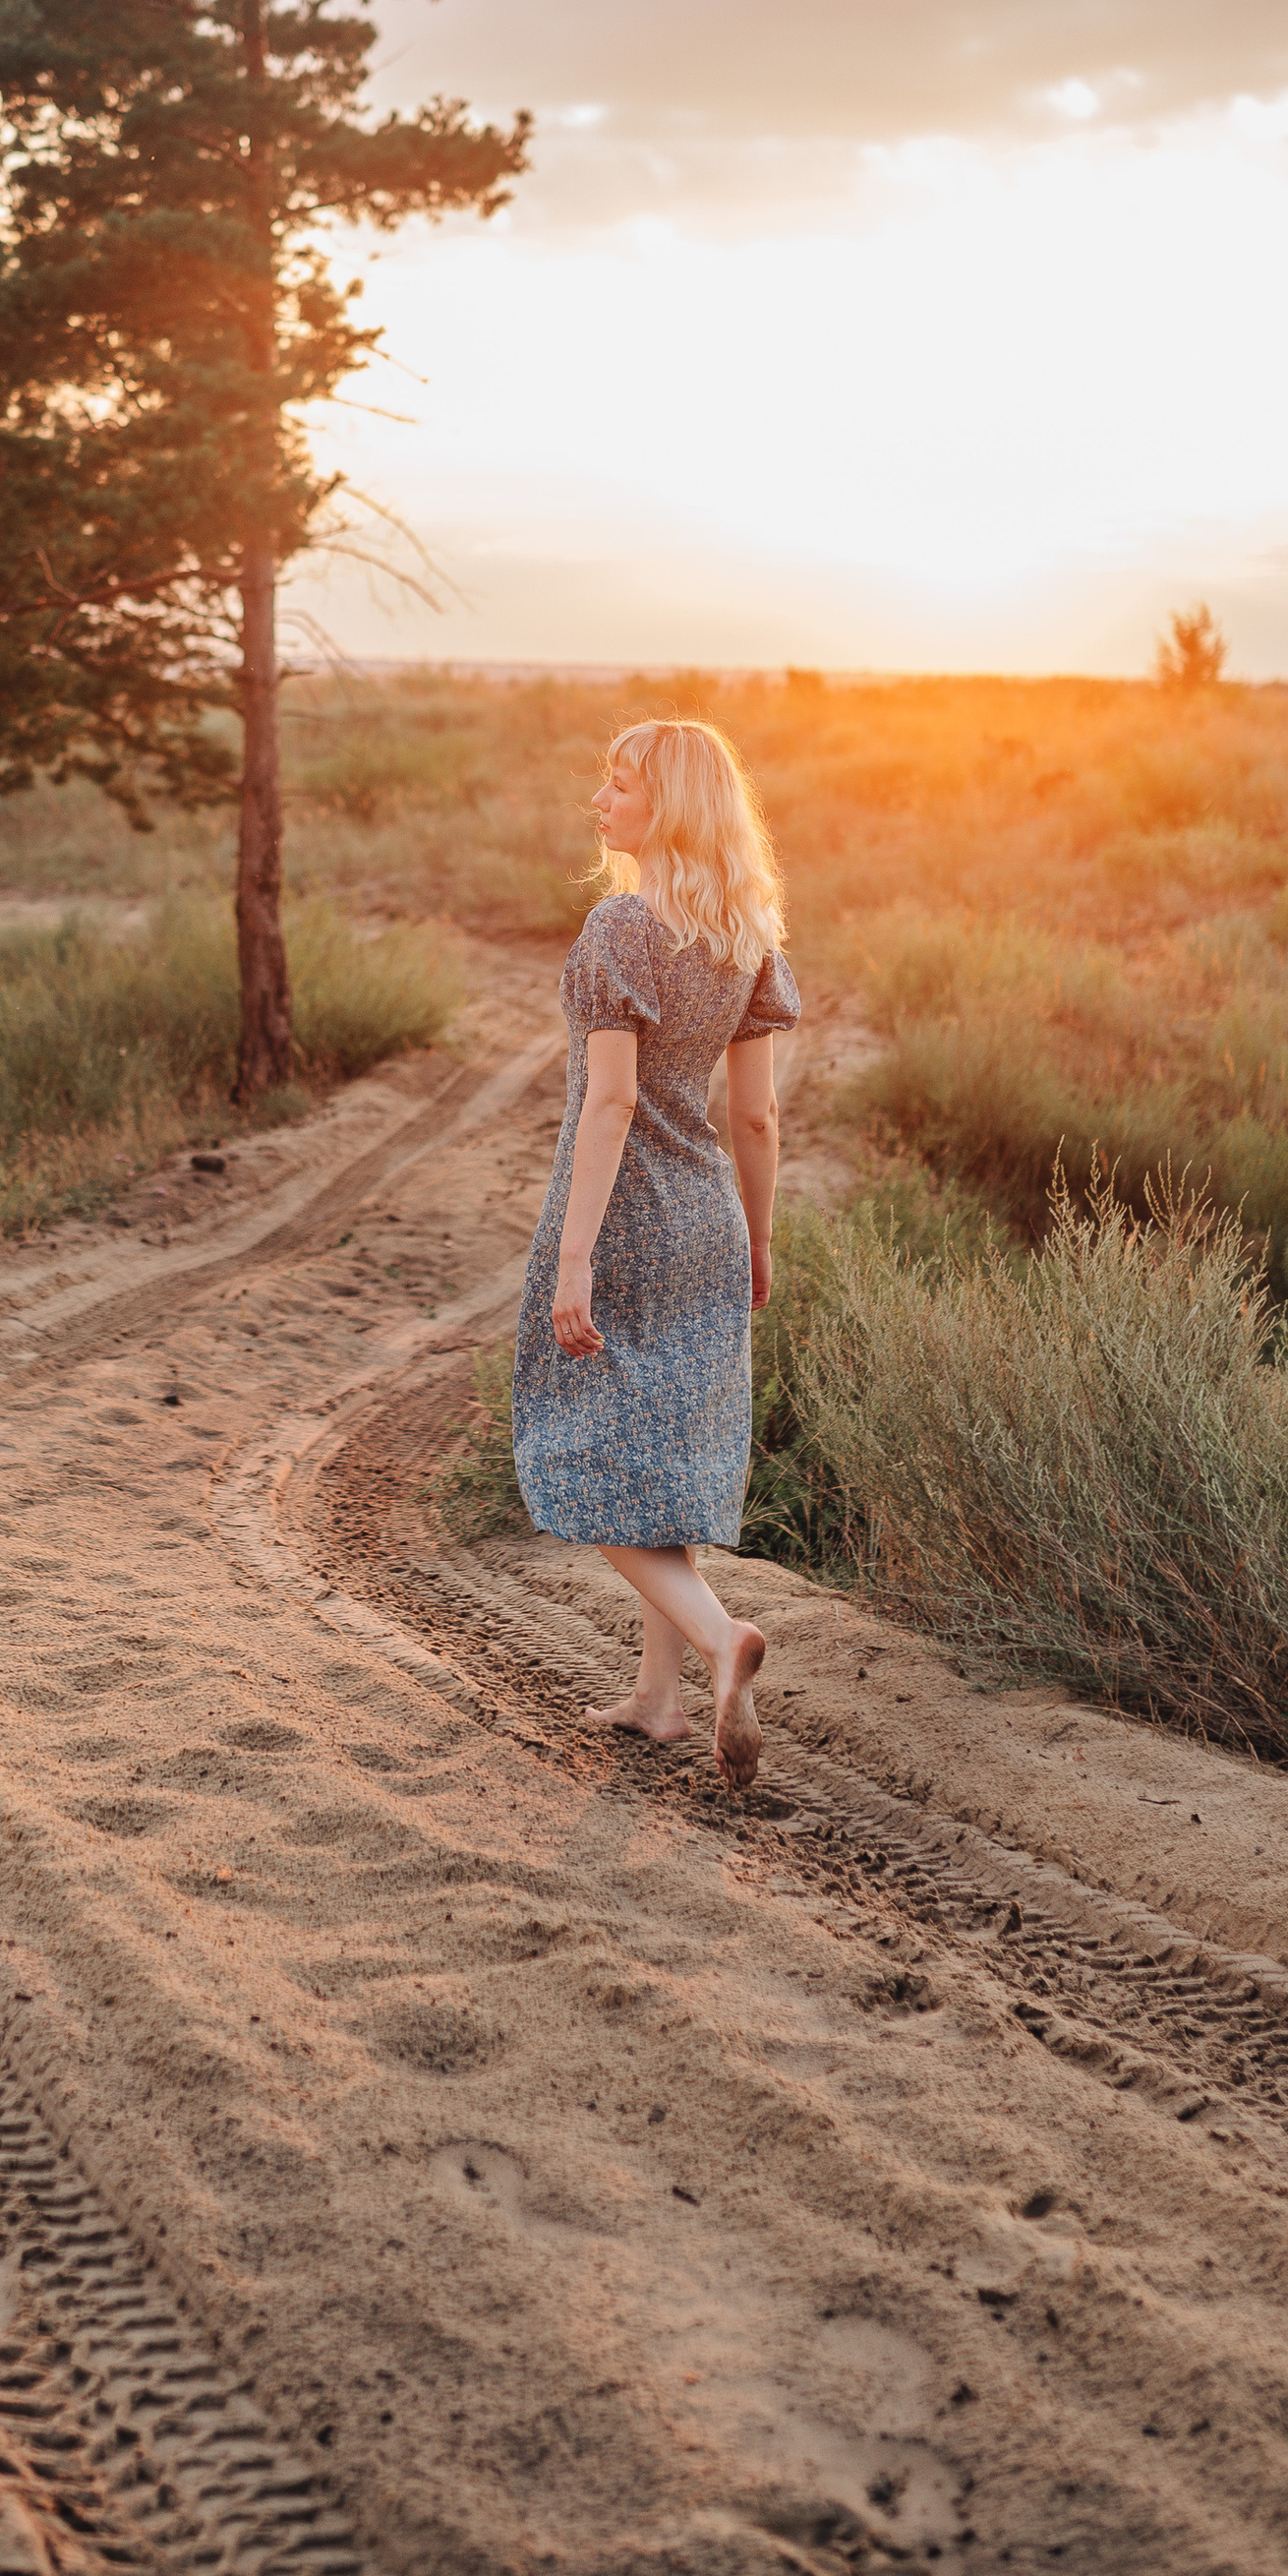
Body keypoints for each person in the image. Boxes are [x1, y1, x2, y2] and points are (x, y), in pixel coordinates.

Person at [511, 716, 799, 1787]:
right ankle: (659, 1699)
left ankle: (724, 1640)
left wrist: (574, 1258)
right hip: (708, 1221)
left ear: (667, 807)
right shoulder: (745, 933)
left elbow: (613, 1103)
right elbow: (759, 1120)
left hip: (624, 1221)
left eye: (620, 787)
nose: (600, 802)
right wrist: (757, 1243)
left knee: (574, 1454)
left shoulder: (619, 930)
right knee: (664, 1466)